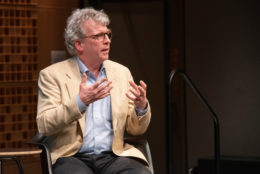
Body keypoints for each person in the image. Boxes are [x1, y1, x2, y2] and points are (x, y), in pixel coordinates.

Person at [36, 7, 151, 174]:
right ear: (79, 44)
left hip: (113, 156)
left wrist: (141, 108)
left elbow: (136, 130)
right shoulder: (52, 75)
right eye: (98, 36)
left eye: (107, 34)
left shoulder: (121, 73)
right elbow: (44, 125)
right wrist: (80, 102)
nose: (107, 40)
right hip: (71, 157)